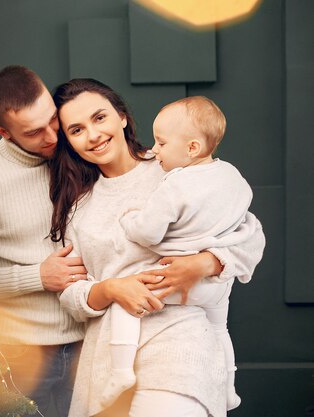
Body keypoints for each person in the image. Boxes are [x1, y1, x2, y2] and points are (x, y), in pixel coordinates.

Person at [49, 79, 265, 417]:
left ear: (121, 116)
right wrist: (110, 289)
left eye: (100, 118)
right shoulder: (79, 206)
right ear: (69, 142)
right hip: (108, 359)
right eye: (77, 129)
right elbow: (71, 296)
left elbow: (251, 238)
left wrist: (203, 264)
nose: (93, 134)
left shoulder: (178, 166)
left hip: (180, 345)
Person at [101, 96, 253, 410]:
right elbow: (244, 222)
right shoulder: (234, 179)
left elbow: (147, 233)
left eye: (161, 142)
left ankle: (119, 373)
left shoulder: (174, 185)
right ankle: (228, 388)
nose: (154, 150)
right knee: (219, 328)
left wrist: (129, 220)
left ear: (192, 148)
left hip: (172, 277)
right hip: (217, 287)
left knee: (125, 303)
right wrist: (214, 257)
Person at [0, 65, 89, 416]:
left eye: (53, 119)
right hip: (20, 353)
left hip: (89, 343)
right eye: (34, 132)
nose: (53, 135)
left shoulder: (81, 149)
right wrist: (38, 276)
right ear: (3, 132)